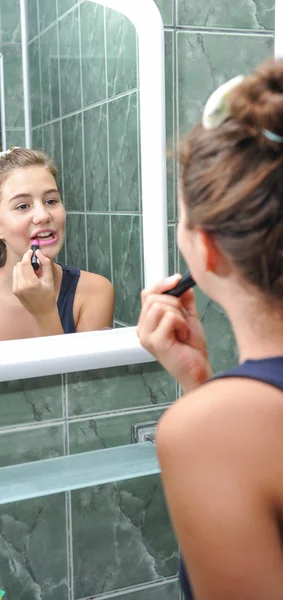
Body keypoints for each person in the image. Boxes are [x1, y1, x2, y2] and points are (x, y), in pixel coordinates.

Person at [137, 57, 283, 600]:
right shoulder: (222, 422)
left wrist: (205, 408)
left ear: (208, 249)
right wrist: (201, 386)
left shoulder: (211, 430)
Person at [0, 146, 114, 345]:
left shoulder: (95, 292)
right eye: (22, 206)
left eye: (51, 201)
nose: (43, 216)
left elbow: (82, 377)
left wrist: (45, 312)